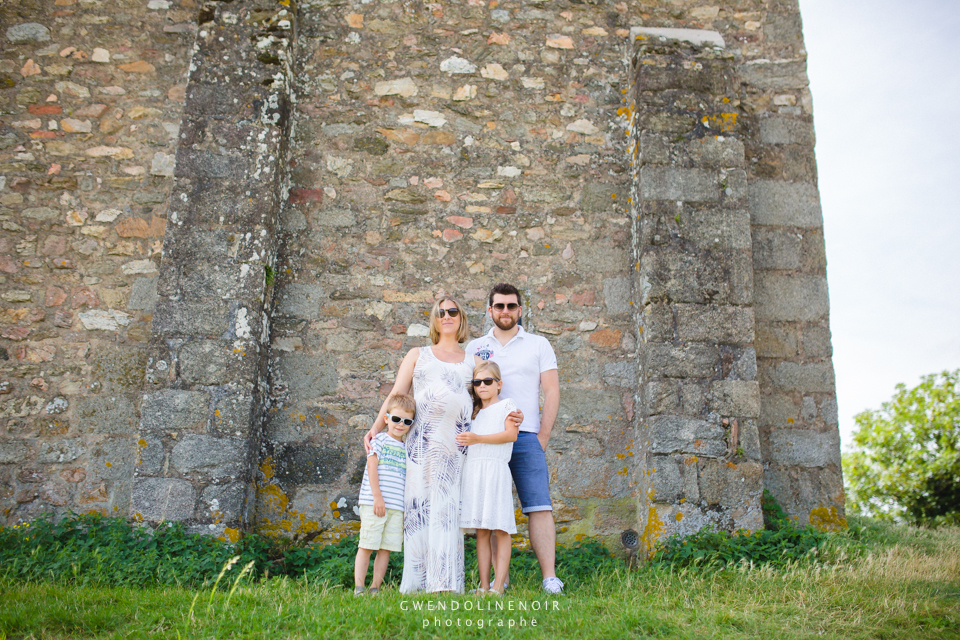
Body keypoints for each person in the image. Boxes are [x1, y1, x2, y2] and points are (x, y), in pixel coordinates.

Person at [364, 296, 473, 593]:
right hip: (420, 446)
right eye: (441, 312)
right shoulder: (418, 354)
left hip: (454, 448)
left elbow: (483, 401)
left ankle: (446, 582)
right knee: (419, 509)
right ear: (434, 320)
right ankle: (416, 583)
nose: (447, 316)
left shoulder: (472, 359)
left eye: (452, 311)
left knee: (447, 511)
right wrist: (376, 429)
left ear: (460, 318)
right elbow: (397, 394)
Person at [466, 283, 563, 594]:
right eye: (499, 306)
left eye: (511, 306)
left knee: (539, 506)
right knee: (491, 507)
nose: (505, 311)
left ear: (520, 310)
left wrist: (542, 437)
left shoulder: (538, 344)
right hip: (485, 440)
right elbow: (468, 394)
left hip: (525, 437)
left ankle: (549, 577)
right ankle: (499, 579)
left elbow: (552, 391)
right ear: (490, 310)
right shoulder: (475, 348)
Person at [456, 361, 519, 595]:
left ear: (498, 384)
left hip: (495, 470)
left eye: (487, 381)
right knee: (481, 530)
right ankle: (483, 585)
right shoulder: (473, 411)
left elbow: (511, 434)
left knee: (500, 528)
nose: (482, 386)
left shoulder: (507, 406)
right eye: (477, 382)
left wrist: (478, 438)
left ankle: (499, 585)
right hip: (474, 471)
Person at [354, 393, 414, 596]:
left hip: (396, 506)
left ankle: (375, 588)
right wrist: (377, 497)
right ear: (386, 418)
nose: (401, 424)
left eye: (407, 421)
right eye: (396, 419)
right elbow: (372, 468)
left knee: (386, 548)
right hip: (374, 502)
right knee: (367, 544)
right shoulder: (378, 440)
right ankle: (359, 587)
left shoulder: (407, 448)